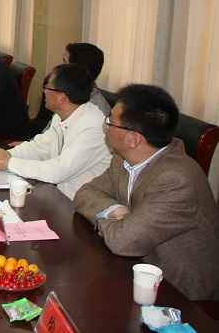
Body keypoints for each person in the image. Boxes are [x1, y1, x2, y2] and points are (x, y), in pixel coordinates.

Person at [74, 84, 219, 300]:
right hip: (135, 270)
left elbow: (123, 242)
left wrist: (113, 222)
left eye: (110, 122)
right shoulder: (124, 159)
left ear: (133, 139)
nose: (106, 126)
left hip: (179, 294)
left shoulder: (176, 180)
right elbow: (85, 193)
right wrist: (116, 211)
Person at [0, 64, 112, 199]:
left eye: (47, 88)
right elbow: (40, 147)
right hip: (58, 195)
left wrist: (9, 162)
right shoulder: (62, 115)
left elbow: (59, 170)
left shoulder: (92, 127)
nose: (44, 91)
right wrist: (7, 154)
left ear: (61, 97)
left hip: (81, 203)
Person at [31, 42, 110, 136]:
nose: (60, 68)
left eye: (64, 63)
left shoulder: (95, 115)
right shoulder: (66, 94)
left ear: (75, 72)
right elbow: (47, 139)